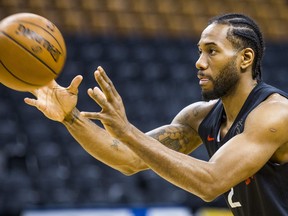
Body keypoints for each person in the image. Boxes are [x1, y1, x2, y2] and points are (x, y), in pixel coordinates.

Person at [24, 13, 288, 216]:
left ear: (245, 58)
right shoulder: (200, 117)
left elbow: (211, 182)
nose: (199, 61)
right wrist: (71, 118)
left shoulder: (274, 114)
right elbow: (126, 158)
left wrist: (128, 131)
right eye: (199, 50)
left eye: (212, 50)